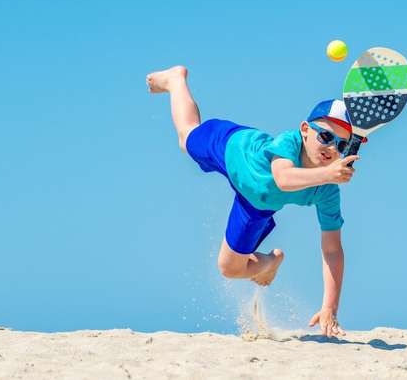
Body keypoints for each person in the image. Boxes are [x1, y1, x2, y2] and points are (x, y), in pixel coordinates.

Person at [147, 65, 360, 337]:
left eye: (341, 145)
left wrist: (330, 306)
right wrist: (328, 174)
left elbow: (332, 249)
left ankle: (269, 263)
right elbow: (283, 178)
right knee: (186, 136)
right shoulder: (289, 143)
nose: (332, 149)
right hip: (233, 148)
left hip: (257, 202)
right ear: (305, 129)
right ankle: (176, 80)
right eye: (326, 137)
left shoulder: (328, 188)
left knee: (229, 268)